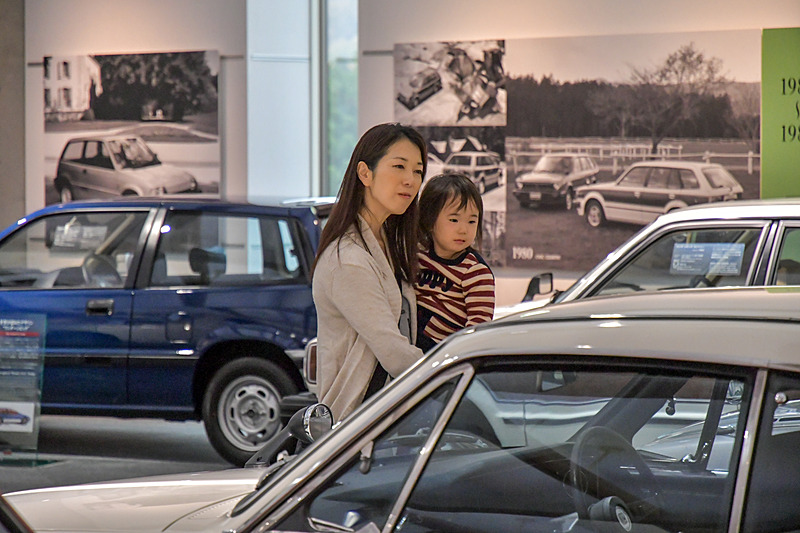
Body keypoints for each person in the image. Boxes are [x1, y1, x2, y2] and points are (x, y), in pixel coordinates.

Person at [312, 123, 427, 421]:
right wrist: (452, 370)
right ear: (365, 173)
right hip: (356, 424)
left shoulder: (385, 242)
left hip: (384, 414)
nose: (410, 180)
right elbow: (393, 351)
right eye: (399, 166)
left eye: (417, 171)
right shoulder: (348, 259)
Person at [415, 172, 495, 351]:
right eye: (454, 219)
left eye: (472, 221)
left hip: (446, 354)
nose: (463, 230)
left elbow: (477, 330)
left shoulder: (475, 272)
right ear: (429, 222)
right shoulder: (418, 257)